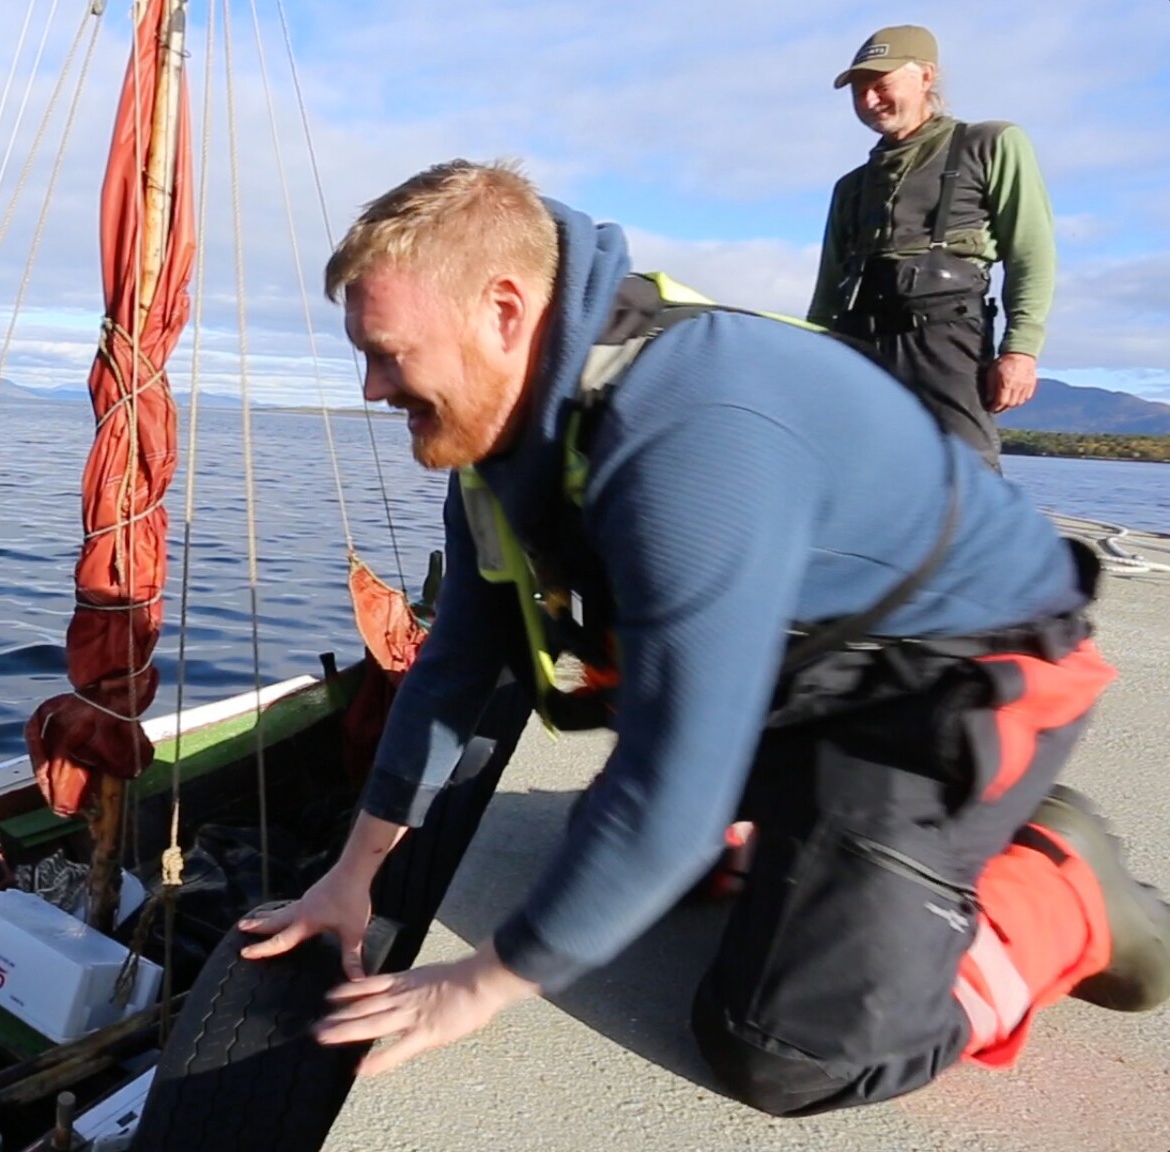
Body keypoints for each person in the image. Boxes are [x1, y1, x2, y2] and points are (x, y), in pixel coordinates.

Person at [240, 159, 1168, 1116]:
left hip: (957, 680)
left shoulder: (689, 429)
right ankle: (787, 834)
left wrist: (482, 983)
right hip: (810, 667)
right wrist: (353, 875)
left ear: (505, 311)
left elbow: (672, 788)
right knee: (619, 857)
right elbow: (456, 668)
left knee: (783, 1050)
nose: (371, 387)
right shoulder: (506, 434)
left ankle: (1065, 890)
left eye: (388, 352)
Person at [807, 25, 1057, 470]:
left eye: (881, 85)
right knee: (856, 477)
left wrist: (1020, 351)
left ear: (926, 77)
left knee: (969, 479)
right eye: (859, 91)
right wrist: (812, 364)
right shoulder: (850, 187)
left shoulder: (992, 143)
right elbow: (828, 290)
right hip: (859, 347)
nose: (868, 101)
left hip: (946, 343)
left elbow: (1031, 253)